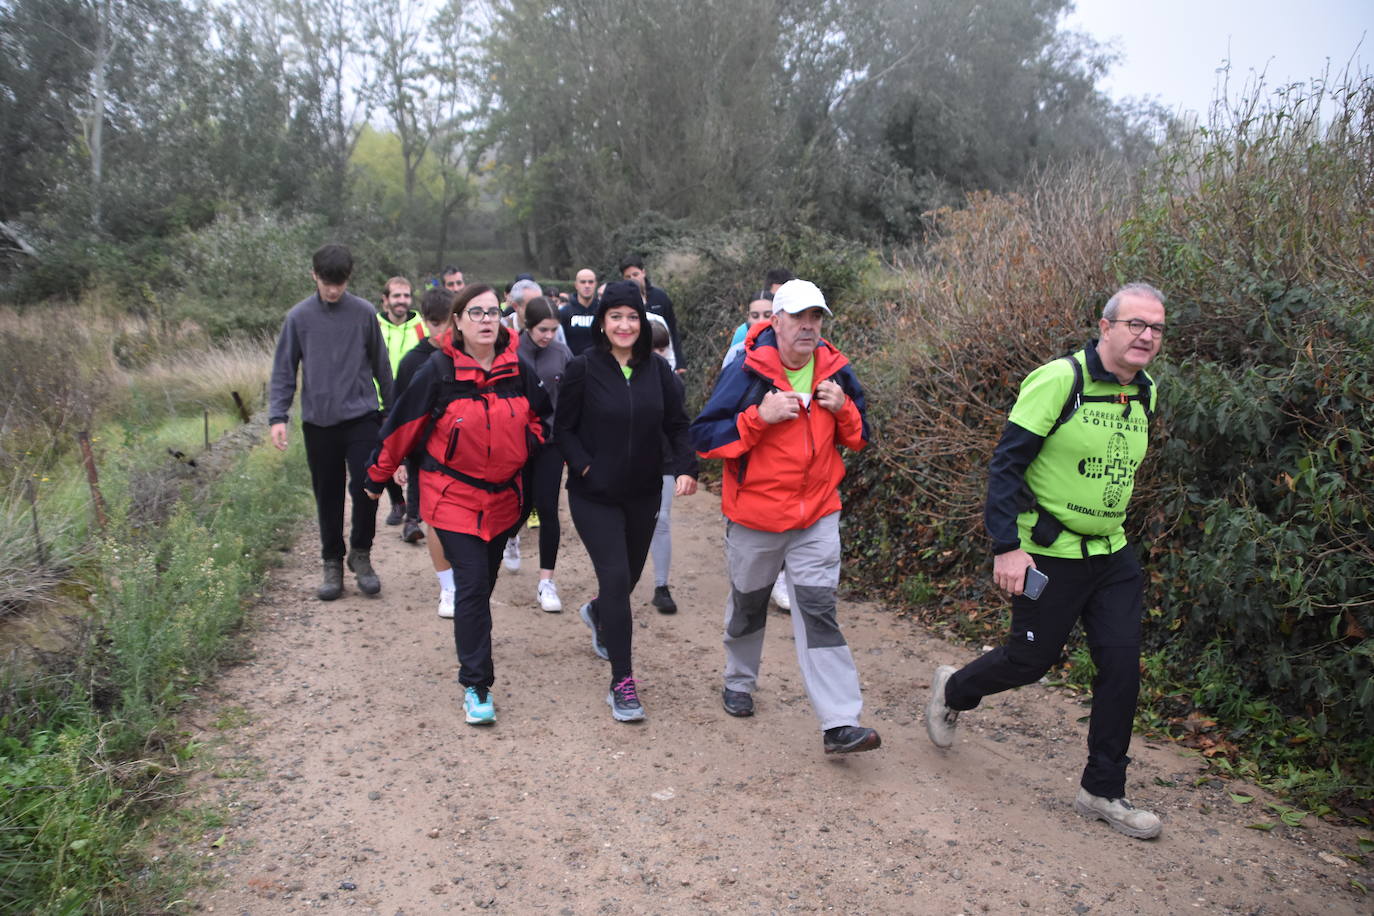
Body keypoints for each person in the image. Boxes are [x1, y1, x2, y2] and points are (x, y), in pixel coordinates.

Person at [924, 283, 1167, 840]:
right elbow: (1007, 466)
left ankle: (1102, 790)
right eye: (1135, 324)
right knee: (1029, 660)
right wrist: (1007, 546)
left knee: (1122, 668)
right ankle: (953, 689)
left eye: (1155, 328)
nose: (1146, 336)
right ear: (1106, 327)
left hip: (1111, 554)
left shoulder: (1146, 391)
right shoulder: (1060, 380)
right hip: (1049, 554)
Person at [690, 279, 879, 755]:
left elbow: (862, 437)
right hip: (756, 517)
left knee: (819, 612)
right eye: (798, 317)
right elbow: (705, 438)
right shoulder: (747, 372)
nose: (809, 327)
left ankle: (840, 722)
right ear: (775, 322)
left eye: (816, 317)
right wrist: (759, 416)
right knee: (749, 605)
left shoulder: (835, 371)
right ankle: (739, 680)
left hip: (817, 513)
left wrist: (845, 412)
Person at [363, 283, 550, 726]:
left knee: (480, 586)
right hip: (452, 497)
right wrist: (376, 476)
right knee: (470, 587)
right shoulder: (437, 371)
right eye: (476, 312)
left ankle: (471, 644)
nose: (486, 319)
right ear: (459, 321)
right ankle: (476, 685)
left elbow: (544, 418)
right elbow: (402, 425)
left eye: (493, 312)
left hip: (504, 500)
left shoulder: (517, 369)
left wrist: (529, 442)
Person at [557, 281, 698, 722]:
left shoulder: (659, 371)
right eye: (616, 316)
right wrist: (585, 468)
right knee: (616, 577)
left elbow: (678, 425)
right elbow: (563, 430)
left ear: (643, 322)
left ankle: (598, 612)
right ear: (603, 321)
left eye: (632, 317)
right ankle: (623, 682)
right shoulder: (583, 368)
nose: (624, 325)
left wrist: (687, 467)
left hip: (642, 493)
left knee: (628, 579)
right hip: (594, 495)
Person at [270, 244, 392, 601]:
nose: (334, 290)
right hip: (319, 421)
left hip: (362, 417)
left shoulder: (364, 312)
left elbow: (381, 366)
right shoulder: (299, 317)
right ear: (314, 277)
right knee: (328, 494)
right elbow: (283, 369)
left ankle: (361, 554)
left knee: (368, 487)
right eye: (327, 282)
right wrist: (278, 416)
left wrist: (393, 415)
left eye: (339, 282)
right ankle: (332, 562)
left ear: (348, 278)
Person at [719, 290, 792, 613]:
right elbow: (717, 421)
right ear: (746, 319)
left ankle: (779, 578)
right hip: (746, 468)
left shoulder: (805, 357)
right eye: (755, 315)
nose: (761, 321)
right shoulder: (738, 355)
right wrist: (759, 418)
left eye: (767, 315)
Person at [393, 287, 458, 616]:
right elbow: (399, 414)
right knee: (435, 520)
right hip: (424, 454)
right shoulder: (412, 362)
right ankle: (448, 587)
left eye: (446, 323)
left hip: (462, 453)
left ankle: (463, 574)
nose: (441, 331)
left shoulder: (469, 356)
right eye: (434, 323)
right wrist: (400, 459)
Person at [516, 296, 573, 612]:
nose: (548, 336)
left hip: (550, 443)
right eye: (542, 330)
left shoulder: (562, 353)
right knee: (519, 508)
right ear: (528, 326)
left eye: (553, 330)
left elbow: (572, 395)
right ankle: (510, 540)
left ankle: (546, 582)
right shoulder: (509, 352)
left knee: (548, 508)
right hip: (515, 443)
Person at [377, 276, 427, 528]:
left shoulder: (421, 326)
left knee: (414, 457)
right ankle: (398, 501)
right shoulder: (373, 326)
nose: (402, 301)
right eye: (396, 296)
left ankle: (414, 514)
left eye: (406, 296)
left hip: (413, 401)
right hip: (379, 401)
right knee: (383, 454)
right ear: (385, 300)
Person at [647, 321, 686, 614]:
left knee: (661, 522)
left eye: (663, 348)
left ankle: (662, 585)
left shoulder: (674, 383)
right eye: (654, 348)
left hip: (664, 463)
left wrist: (685, 466)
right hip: (627, 463)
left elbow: (679, 427)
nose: (660, 354)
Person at [619, 255, 685, 373]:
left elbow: (673, 329)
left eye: (635, 274)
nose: (632, 279)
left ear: (643, 272)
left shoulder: (660, 297)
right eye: (628, 277)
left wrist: (679, 362)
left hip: (665, 359)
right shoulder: (622, 301)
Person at [559, 268, 600, 356]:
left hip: (599, 365)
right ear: (576, 285)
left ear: (596, 284)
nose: (587, 285)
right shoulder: (564, 312)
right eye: (583, 282)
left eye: (591, 282)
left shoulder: (603, 311)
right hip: (573, 363)